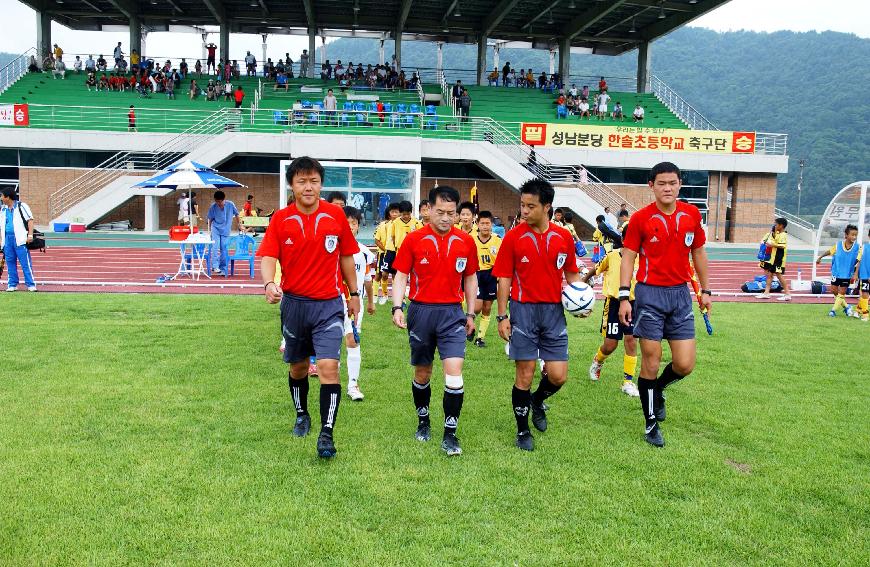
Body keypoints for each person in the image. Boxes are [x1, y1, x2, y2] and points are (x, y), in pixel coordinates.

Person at [257, 156, 361, 459]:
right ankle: (302, 414)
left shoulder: (335, 216)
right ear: (292, 184)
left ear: (321, 184)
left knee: (329, 367)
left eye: (314, 181)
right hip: (294, 305)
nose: (308, 186)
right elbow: (267, 257)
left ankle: (326, 433)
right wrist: (268, 284)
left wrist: (353, 293)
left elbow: (346, 257)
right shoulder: (281, 219)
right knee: (299, 367)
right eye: (302, 181)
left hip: (328, 304)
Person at [618, 161, 712, 448]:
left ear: (679, 184)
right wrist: (624, 295)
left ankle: (658, 389)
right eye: (661, 183)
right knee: (652, 359)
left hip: (680, 295)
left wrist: (705, 290)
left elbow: (698, 252)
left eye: (672, 183)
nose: (667, 188)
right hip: (649, 296)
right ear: (651, 186)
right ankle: (650, 424)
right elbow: (628, 256)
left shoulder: (691, 214)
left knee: (685, 364)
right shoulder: (640, 219)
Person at [391, 185, 478, 456]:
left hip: (453, 314)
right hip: (421, 312)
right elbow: (401, 275)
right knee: (423, 373)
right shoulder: (414, 240)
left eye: (451, 213)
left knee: (454, 374)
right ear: (428, 210)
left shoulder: (466, 242)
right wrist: (397, 307)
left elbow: (471, 277)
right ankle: (424, 420)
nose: (445, 217)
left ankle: (450, 433)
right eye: (440, 211)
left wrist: (471, 312)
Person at [493, 179, 579, 452]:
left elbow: (572, 274)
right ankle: (522, 430)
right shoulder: (513, 237)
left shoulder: (564, 237)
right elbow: (504, 279)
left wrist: (580, 299)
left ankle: (538, 401)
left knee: (558, 375)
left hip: (553, 312)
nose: (524, 211)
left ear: (547, 207)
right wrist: (502, 315)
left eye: (531, 206)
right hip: (523, 311)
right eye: (522, 205)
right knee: (525, 373)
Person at [584, 239, 640, 397]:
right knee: (610, 345)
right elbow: (596, 269)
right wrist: (583, 282)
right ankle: (598, 361)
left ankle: (627, 382)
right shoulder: (612, 256)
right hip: (614, 304)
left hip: (634, 304)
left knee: (631, 340)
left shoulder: (642, 257)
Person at [342, 205, 377, 401]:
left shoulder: (364, 253)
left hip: (356, 305)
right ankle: (331, 381)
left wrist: (370, 302)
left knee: (352, 340)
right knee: (330, 344)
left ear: (357, 226)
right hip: (333, 302)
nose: (349, 226)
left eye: (353, 223)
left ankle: (353, 384)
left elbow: (367, 280)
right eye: (345, 223)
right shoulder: (332, 249)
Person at [471, 210, 502, 348]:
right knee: (476, 307)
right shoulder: (471, 238)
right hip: (476, 274)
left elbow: (501, 260)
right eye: (482, 223)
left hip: (491, 275)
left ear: (491, 225)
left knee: (487, 307)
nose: (485, 226)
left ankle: (480, 338)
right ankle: (468, 325)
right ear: (477, 224)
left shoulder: (497, 240)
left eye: (487, 223)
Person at [816, 224, 860, 317]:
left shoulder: (857, 247)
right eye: (852, 234)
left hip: (847, 274)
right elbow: (829, 251)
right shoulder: (838, 245)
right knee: (834, 290)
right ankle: (847, 307)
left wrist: (856, 273)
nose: (854, 237)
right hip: (836, 272)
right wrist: (820, 257)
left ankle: (833, 311)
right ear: (846, 235)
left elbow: (859, 260)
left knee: (842, 293)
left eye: (856, 235)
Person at [0, 187, 37, 292]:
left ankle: (30, 284)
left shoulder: (22, 206)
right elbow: (1, 226)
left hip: (19, 239)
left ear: (8, 197)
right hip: (7, 239)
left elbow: (30, 220)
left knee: (25, 263)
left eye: (2, 196)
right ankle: (12, 284)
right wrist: (1, 240)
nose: (1, 198)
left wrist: (30, 235)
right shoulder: (3, 209)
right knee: (10, 262)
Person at [756, 218, 792, 301]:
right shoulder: (773, 233)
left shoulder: (783, 235)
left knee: (779, 275)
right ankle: (766, 293)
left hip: (778, 258)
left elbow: (782, 246)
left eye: (776, 224)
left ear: (781, 225)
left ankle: (787, 294)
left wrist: (771, 244)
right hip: (771, 258)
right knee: (769, 275)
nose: (774, 225)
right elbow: (765, 241)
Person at [206, 190, 239, 276]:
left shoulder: (230, 204)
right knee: (215, 247)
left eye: (220, 201)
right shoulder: (213, 207)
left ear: (224, 199)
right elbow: (210, 218)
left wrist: (240, 224)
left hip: (226, 229)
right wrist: (209, 230)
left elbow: (237, 214)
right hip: (215, 228)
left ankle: (223, 268)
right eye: (216, 201)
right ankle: (215, 266)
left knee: (224, 249)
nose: (218, 203)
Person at [374, 203, 400, 305]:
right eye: (392, 212)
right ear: (388, 214)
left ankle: (396, 297)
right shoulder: (383, 225)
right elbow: (377, 239)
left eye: (396, 212)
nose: (394, 214)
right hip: (384, 253)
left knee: (395, 276)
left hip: (397, 253)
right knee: (381, 274)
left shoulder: (400, 225)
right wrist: (386, 250)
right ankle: (378, 295)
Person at [854, 228, 870, 322]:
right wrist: (856, 274)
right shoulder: (863, 247)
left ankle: (857, 310)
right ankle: (865, 314)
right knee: (865, 294)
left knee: (866, 295)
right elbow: (859, 261)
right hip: (864, 275)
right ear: (869, 236)